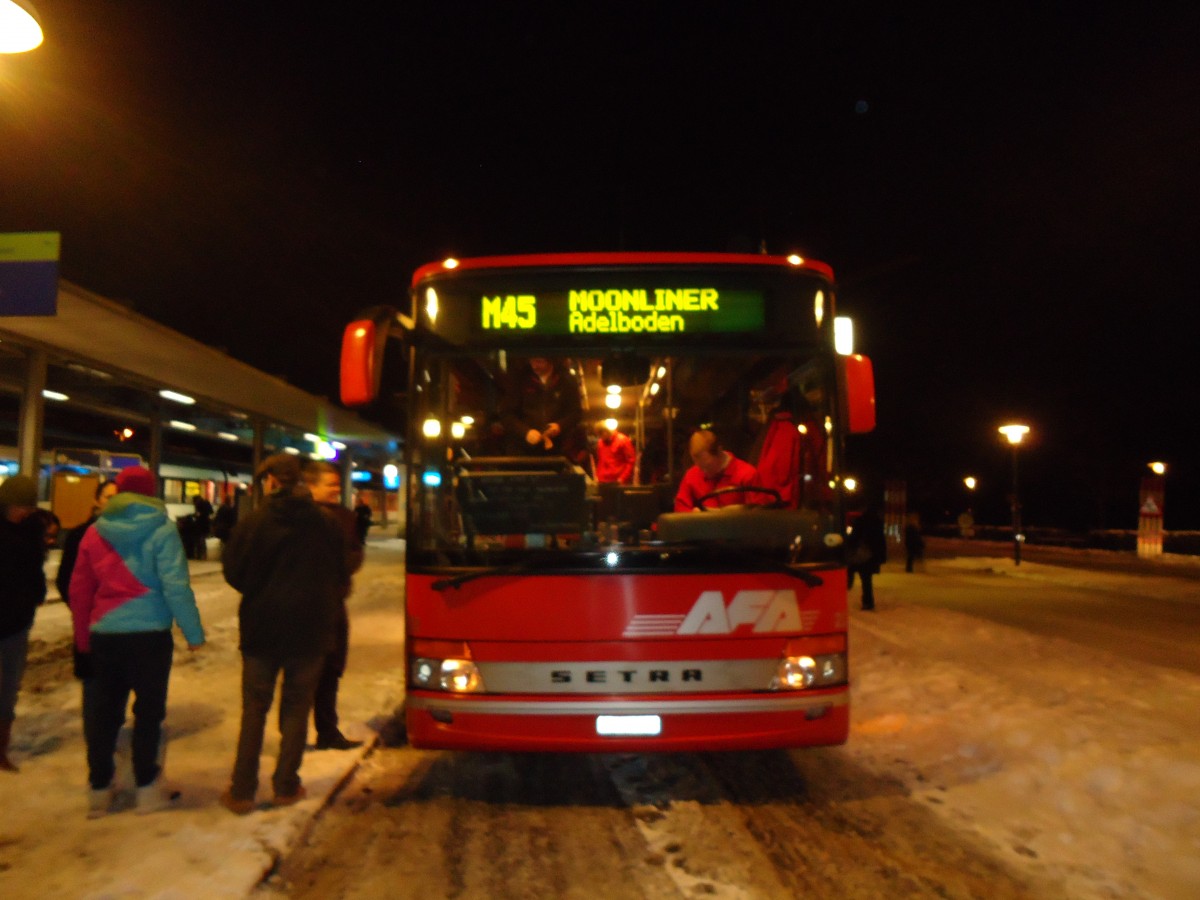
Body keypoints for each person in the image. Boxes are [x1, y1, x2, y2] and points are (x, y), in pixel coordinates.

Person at [69, 466, 206, 816]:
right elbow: (176, 586)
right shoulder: (162, 529)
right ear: (150, 492)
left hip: (104, 636)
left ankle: (99, 791)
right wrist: (193, 633)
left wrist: (82, 641)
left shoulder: (94, 533)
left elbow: (80, 591)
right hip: (149, 638)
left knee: (104, 715)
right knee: (149, 714)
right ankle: (146, 788)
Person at [220, 453, 348, 814]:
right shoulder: (326, 524)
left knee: (254, 709)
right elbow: (341, 573)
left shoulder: (253, 522)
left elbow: (234, 572)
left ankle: (242, 791)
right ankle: (286, 786)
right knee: (296, 708)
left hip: (262, 628)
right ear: (302, 482)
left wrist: (261, 590)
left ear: (272, 481)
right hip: (311, 632)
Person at [303, 461, 365, 750]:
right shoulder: (300, 516)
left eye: (337, 485)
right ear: (311, 485)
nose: (336, 489)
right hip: (305, 605)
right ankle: (294, 736)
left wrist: (343, 567)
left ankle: (327, 731)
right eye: (330, 484)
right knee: (303, 673)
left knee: (332, 669)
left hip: (334, 603)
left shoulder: (345, 517)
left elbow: (355, 553)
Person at [0, 475, 48, 773]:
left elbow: (35, 572)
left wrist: (36, 594)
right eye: (18, 507)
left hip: (17, 621)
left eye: (27, 508)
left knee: (8, 688)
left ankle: (0, 748)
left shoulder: (31, 531)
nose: (23, 513)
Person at [500, 357, 582, 456]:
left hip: (556, 450)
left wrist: (560, 425)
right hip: (522, 451)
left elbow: (576, 413)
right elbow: (506, 414)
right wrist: (525, 432)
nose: (534, 366)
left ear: (550, 360)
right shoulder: (519, 380)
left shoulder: (567, 380)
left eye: (539, 361)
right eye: (532, 361)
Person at [56, 479, 119, 604]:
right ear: (97, 501)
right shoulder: (79, 535)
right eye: (109, 498)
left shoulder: (130, 536)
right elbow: (65, 579)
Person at [674, 429, 760, 512]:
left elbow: (759, 514)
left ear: (719, 451)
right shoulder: (693, 475)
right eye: (699, 466)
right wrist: (692, 514)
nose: (703, 472)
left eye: (707, 466)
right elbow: (680, 508)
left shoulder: (747, 474)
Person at [846, 502, 887, 611]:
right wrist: (881, 556)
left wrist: (849, 547)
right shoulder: (877, 522)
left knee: (852, 569)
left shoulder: (860, 521)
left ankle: (849, 587)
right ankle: (868, 602)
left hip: (861, 553)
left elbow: (854, 537)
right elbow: (881, 540)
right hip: (871, 555)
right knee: (867, 579)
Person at [190, 494, 213, 560]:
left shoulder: (198, 504)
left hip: (200, 524)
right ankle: (204, 555)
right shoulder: (207, 502)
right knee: (203, 539)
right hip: (206, 523)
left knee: (199, 539)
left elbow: (197, 514)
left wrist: (195, 516)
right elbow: (211, 512)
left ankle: (199, 555)